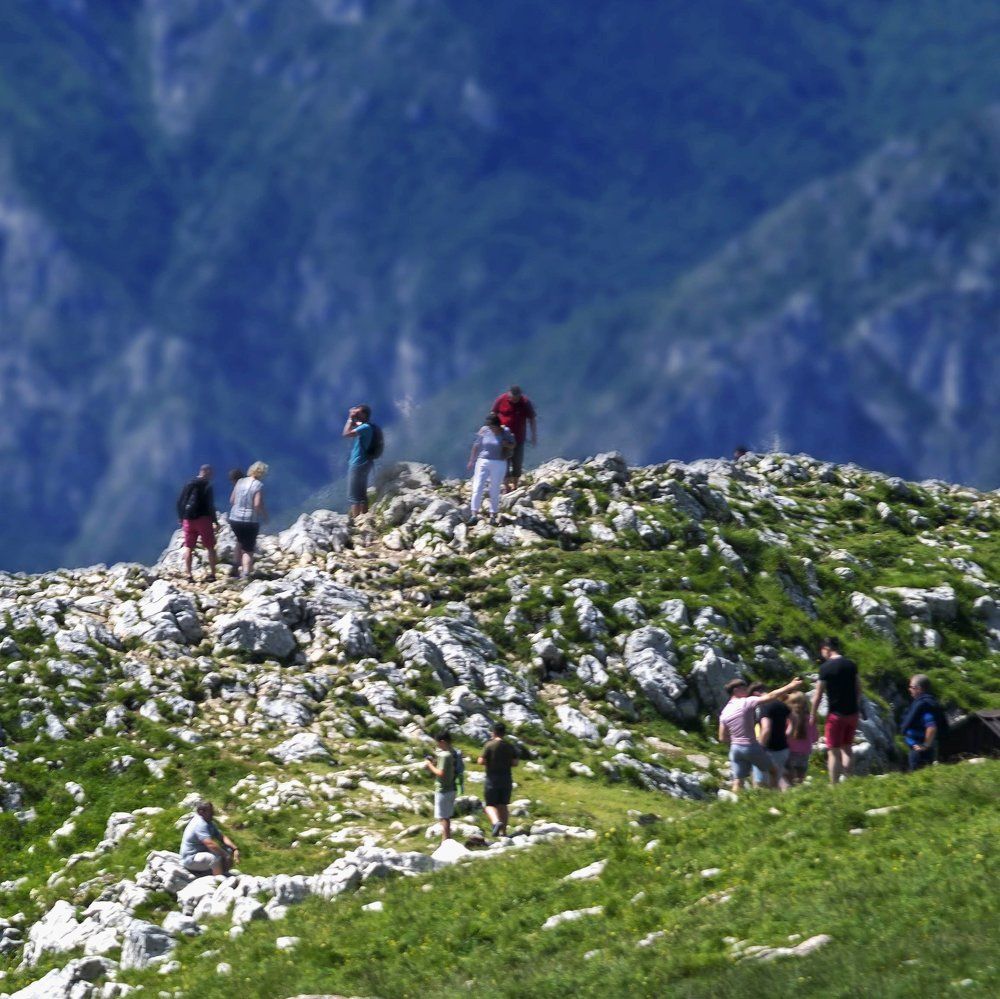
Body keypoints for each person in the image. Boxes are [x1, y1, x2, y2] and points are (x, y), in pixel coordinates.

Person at [718, 676, 802, 794]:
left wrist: (736, 740)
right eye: (744, 689)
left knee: (738, 781)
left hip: (735, 749)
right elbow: (771, 696)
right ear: (736, 690)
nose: (746, 691)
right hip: (750, 746)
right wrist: (790, 686)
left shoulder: (725, 711)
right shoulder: (745, 702)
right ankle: (775, 798)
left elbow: (722, 737)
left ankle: (736, 802)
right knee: (773, 771)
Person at [810, 637, 865, 784]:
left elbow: (818, 695)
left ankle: (834, 784)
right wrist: (855, 705)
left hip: (836, 715)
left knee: (833, 751)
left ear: (826, 649)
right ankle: (848, 779)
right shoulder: (851, 665)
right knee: (847, 748)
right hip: (852, 714)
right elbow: (859, 688)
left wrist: (813, 714)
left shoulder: (825, 668)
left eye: (822, 651)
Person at [467, 414, 515, 524]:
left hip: (499, 462)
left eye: (492, 426)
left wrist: (506, 444)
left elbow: (513, 445)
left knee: (495, 488)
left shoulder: (505, 432)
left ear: (498, 425)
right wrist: (472, 460)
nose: (490, 428)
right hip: (483, 461)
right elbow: (476, 445)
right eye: (489, 426)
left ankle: (493, 515)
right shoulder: (484, 430)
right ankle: (474, 514)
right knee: (478, 486)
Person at [176, 465, 218, 583]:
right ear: (205, 471)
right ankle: (212, 574)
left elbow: (180, 501)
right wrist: (215, 521)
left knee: (189, 547)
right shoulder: (207, 485)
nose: (211, 475)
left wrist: (181, 517)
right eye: (210, 472)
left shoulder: (189, 483)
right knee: (210, 547)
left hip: (188, 519)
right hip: (203, 519)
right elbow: (210, 505)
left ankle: (189, 575)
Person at [491, 385, 537, 492]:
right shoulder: (501, 399)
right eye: (513, 398)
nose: (515, 400)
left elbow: (532, 419)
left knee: (517, 462)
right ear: (509, 394)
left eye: (517, 398)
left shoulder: (525, 402)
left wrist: (533, 435)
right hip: (503, 438)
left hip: (519, 438)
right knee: (504, 461)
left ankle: (515, 485)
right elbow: (493, 414)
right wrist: (492, 430)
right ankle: (506, 486)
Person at [478, 721, 519, 836]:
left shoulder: (489, 745)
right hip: (506, 779)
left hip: (492, 779)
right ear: (504, 733)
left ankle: (496, 822)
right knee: (503, 805)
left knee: (490, 805)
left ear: (494, 732)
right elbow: (515, 763)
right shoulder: (509, 746)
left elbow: (481, 761)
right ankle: (503, 832)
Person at [179, 800, 240, 877]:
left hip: (201, 853)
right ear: (201, 812)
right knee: (214, 858)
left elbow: (221, 837)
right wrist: (225, 855)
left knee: (228, 850)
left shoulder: (209, 822)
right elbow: (210, 844)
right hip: (190, 858)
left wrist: (234, 849)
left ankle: (222, 873)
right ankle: (219, 879)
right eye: (210, 811)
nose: (212, 813)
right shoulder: (200, 824)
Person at [229, 462, 268, 579]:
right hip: (250, 520)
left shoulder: (240, 482)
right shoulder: (258, 485)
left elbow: (232, 500)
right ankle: (245, 573)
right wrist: (264, 515)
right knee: (248, 548)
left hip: (235, 519)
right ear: (261, 473)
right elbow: (257, 504)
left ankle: (235, 567)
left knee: (239, 541)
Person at [901, 674, 941, 771]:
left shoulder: (924, 705)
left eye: (911, 687)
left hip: (919, 751)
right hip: (920, 748)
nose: (909, 689)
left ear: (918, 689)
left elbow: (931, 727)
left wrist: (925, 745)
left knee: (917, 774)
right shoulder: (924, 702)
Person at [754, 690, 792, 790]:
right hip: (783, 748)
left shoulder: (763, 707)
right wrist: (787, 733)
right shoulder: (781, 704)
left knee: (762, 782)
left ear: (756, 694)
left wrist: (759, 748)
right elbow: (794, 719)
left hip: (769, 750)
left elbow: (766, 729)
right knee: (776, 778)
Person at [343, 404, 375, 519]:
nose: (356, 413)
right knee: (361, 494)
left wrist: (350, 418)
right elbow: (356, 425)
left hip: (358, 463)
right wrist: (354, 418)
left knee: (354, 497)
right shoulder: (367, 426)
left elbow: (346, 433)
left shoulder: (364, 427)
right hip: (365, 462)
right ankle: (365, 518)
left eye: (359, 412)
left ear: (364, 415)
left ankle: (357, 521)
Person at [424, 730, 457, 840]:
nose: (437, 745)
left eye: (437, 742)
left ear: (442, 742)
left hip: (443, 789)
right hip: (451, 787)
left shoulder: (444, 755)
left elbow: (440, 773)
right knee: (446, 816)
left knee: (443, 817)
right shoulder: (452, 753)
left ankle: (446, 840)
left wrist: (429, 765)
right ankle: (447, 839)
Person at [785, 691, 818, 785]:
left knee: (790, 776)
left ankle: (791, 789)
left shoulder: (787, 719)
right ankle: (800, 788)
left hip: (790, 752)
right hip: (805, 752)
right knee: (801, 776)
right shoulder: (810, 719)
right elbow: (815, 738)